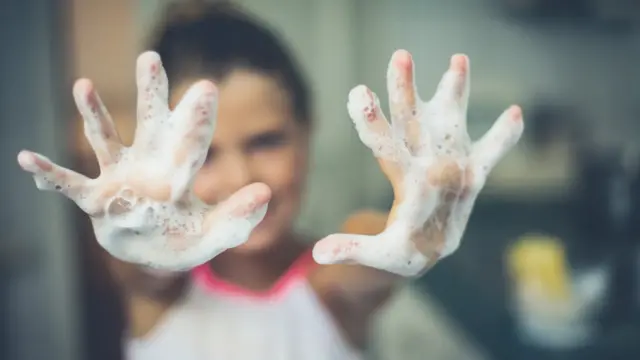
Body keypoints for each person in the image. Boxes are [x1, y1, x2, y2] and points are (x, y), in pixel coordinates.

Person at [16, 2, 523, 359]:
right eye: (205, 155)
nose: (242, 179)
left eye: (266, 141)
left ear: (308, 131)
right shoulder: (159, 290)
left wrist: (410, 235)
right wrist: (136, 241)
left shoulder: (331, 284)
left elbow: (371, 252)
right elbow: (139, 273)